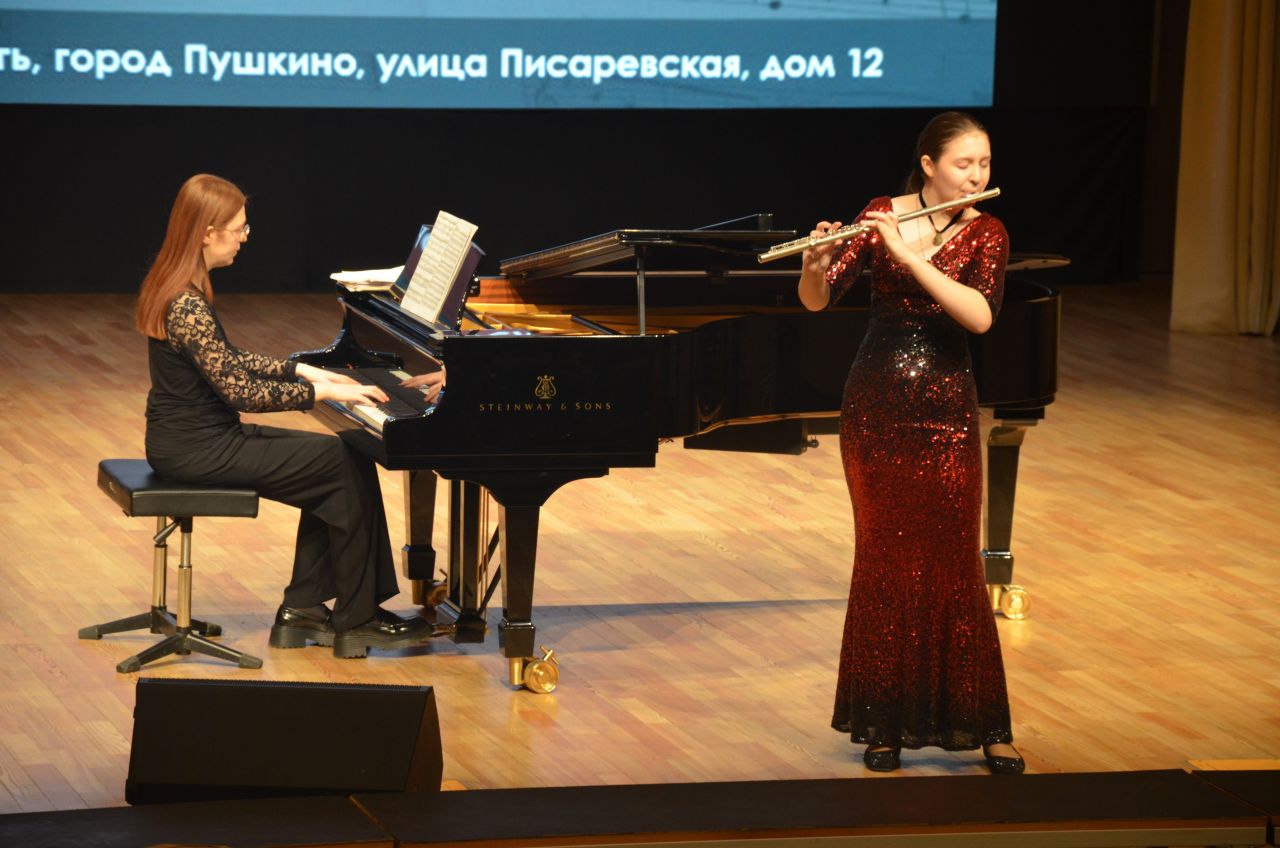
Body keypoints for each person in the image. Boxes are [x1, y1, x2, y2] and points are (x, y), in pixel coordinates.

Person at [797, 112, 1023, 774]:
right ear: (928, 165)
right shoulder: (881, 213)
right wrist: (813, 265)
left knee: (954, 562)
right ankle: (884, 723)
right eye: (964, 164)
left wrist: (906, 257)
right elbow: (817, 299)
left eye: (984, 164)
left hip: (946, 411)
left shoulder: (988, 230)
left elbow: (979, 316)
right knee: (885, 560)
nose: (976, 176)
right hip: (875, 408)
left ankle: (984, 724)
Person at [137, 173, 439, 659]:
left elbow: (228, 360)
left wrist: (300, 368)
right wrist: (321, 390)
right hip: (199, 449)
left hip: (195, 440)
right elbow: (240, 392)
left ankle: (305, 610)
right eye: (238, 228)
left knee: (341, 456)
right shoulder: (186, 304)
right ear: (207, 233)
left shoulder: (176, 284)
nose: (245, 236)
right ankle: (355, 619)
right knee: (337, 462)